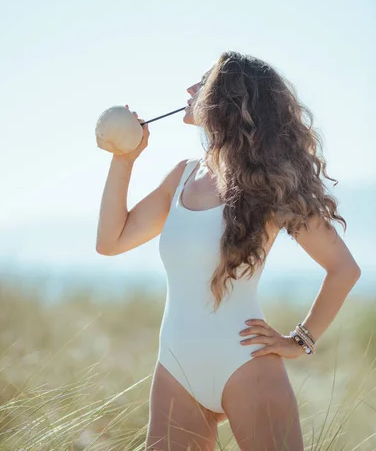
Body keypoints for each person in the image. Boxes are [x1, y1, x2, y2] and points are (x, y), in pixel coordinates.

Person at [95, 52, 361, 451]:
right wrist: (124, 159)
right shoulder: (183, 176)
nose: (189, 90)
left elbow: (343, 269)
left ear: (228, 99)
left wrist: (301, 340)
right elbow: (110, 242)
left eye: (202, 82)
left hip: (247, 366)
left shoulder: (270, 186)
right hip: (176, 367)